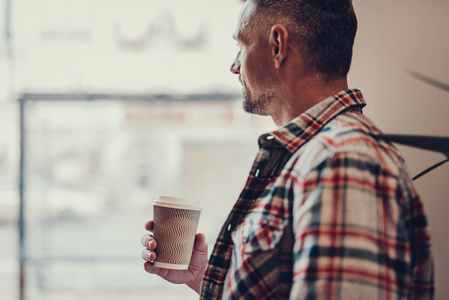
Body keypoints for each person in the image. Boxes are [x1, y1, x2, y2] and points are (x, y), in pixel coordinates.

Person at [141, 0, 434, 299]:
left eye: (241, 45)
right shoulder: (317, 156)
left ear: (278, 45)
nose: (234, 66)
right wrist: (203, 279)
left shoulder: (341, 160)